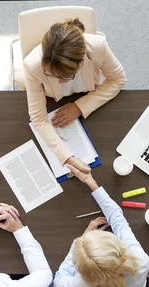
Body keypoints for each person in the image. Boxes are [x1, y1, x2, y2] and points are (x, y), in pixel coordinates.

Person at [21, 17, 126, 174]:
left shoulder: (97, 46)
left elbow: (118, 79)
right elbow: (38, 118)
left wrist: (79, 106)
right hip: (52, 101)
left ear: (81, 62)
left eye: (65, 77)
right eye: (51, 75)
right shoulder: (32, 65)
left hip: (87, 96)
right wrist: (67, 157)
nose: (59, 81)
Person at [53, 165, 149, 287]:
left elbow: (58, 279)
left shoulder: (79, 286)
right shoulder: (140, 261)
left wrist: (81, 240)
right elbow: (119, 221)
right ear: (118, 249)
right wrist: (92, 184)